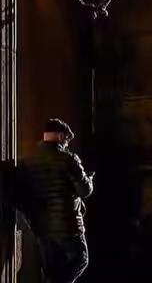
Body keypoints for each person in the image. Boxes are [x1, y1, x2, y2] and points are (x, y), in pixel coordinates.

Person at [16, 119, 94, 283]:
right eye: (66, 139)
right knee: (80, 260)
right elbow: (85, 191)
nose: (67, 144)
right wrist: (89, 180)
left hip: (42, 227)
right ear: (60, 136)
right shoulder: (69, 159)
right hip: (68, 226)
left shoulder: (28, 162)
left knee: (51, 272)